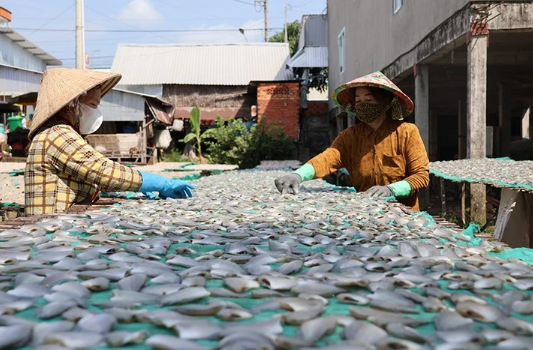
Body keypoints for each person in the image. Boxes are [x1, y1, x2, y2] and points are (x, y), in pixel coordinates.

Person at [25, 68, 195, 215]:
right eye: (92, 104)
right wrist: (160, 183)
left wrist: (136, 189)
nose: (96, 111)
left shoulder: (60, 132)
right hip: (47, 227)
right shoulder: (58, 135)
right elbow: (104, 172)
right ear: (72, 104)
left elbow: (90, 176)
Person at [274, 71, 429, 211]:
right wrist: (298, 175)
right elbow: (326, 159)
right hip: (366, 213)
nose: (363, 105)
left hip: (405, 215)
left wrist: (392, 189)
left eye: (369, 99)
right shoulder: (350, 137)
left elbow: (421, 176)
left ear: (385, 102)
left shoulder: (406, 132)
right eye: (359, 101)